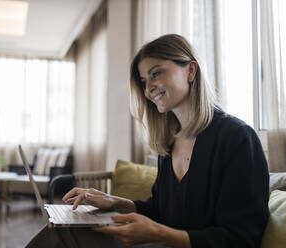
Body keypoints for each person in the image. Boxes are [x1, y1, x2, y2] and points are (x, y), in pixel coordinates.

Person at [27, 34, 269, 248]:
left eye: (156, 73)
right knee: (63, 231)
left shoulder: (237, 138)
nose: (149, 88)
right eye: (144, 81)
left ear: (191, 71)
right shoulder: (170, 142)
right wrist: (114, 202)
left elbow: (242, 239)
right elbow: (160, 210)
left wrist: (160, 235)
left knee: (65, 239)